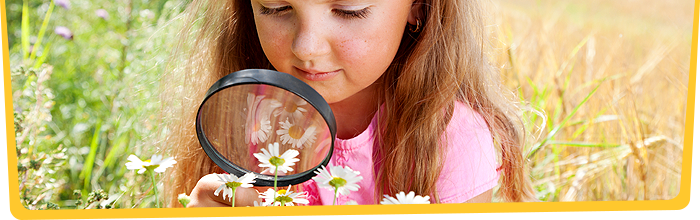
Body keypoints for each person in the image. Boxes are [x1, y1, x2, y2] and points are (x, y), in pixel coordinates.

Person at [160, 0, 538, 207]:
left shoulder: (453, 141)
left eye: (349, 10)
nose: (306, 48)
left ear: (419, 7)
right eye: (276, 8)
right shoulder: (245, 116)